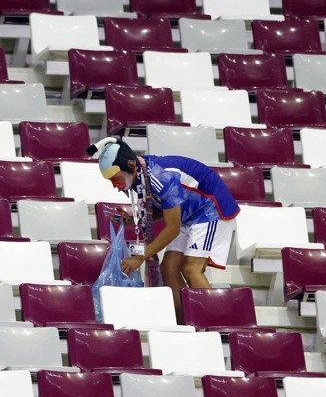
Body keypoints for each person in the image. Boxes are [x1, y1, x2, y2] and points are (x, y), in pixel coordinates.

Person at [88, 136, 240, 320]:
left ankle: (214, 325)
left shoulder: (160, 177)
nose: (116, 186)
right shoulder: (138, 177)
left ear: (131, 166)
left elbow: (173, 228)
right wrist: (131, 221)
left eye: (116, 179)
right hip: (188, 213)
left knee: (191, 268)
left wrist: (140, 257)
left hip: (211, 208)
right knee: (168, 268)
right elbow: (165, 209)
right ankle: (187, 322)